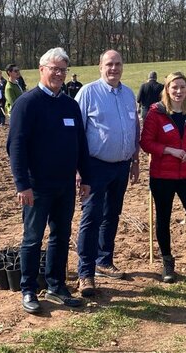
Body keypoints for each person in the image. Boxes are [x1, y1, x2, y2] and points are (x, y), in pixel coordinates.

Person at [7, 47, 91, 314]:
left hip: (65, 185)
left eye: (62, 69)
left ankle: (56, 286)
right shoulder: (27, 103)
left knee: (61, 235)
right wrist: (22, 184)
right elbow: (16, 146)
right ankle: (29, 289)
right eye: (53, 68)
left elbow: (81, 144)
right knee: (32, 238)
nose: (58, 74)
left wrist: (85, 177)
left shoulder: (69, 104)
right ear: (41, 69)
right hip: (37, 186)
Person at [140, 71, 186, 292]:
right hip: (162, 175)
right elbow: (146, 142)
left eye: (183, 87)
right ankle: (167, 263)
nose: (179, 91)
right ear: (167, 89)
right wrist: (168, 150)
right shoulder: (156, 112)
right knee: (163, 219)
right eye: (174, 87)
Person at [75, 49, 140, 297]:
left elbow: (134, 128)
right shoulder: (88, 93)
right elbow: (77, 134)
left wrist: (135, 160)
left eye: (118, 64)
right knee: (91, 217)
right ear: (100, 67)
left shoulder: (127, 93)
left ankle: (104, 260)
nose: (114, 68)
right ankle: (85, 273)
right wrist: (78, 169)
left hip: (121, 166)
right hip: (95, 166)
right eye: (109, 64)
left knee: (112, 214)